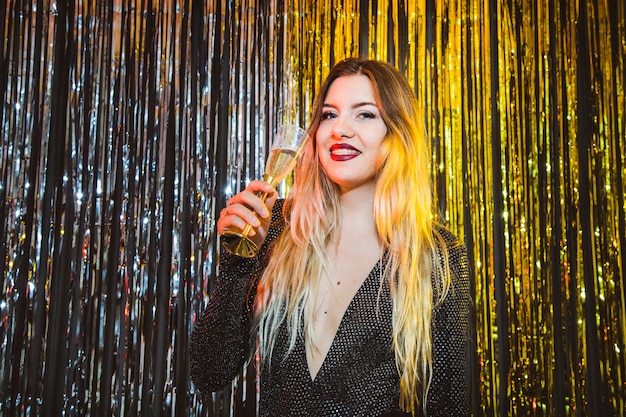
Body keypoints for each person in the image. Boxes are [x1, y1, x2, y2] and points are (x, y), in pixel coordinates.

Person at [190, 58, 472, 416]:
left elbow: (451, 405)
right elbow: (209, 372)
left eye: (365, 114)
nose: (341, 130)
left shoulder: (436, 255)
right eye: (329, 115)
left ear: (396, 132)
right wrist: (238, 260)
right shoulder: (278, 227)